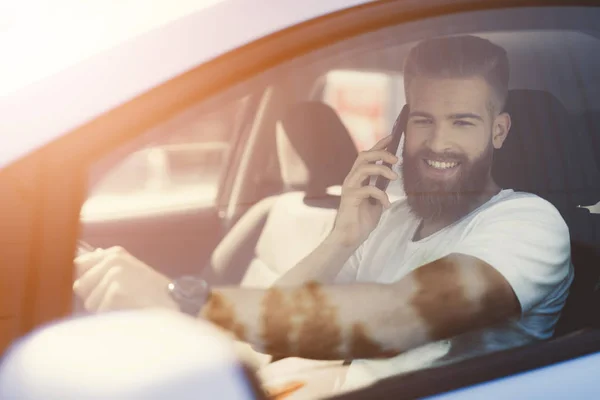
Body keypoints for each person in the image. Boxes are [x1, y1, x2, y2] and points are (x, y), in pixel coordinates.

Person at [73, 35, 573, 388]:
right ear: (399, 131)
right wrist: (342, 237)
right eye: (423, 120)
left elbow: (400, 317)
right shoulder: (391, 220)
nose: (438, 142)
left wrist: (183, 301)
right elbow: (275, 329)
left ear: (499, 131)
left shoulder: (530, 223)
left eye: (463, 122)